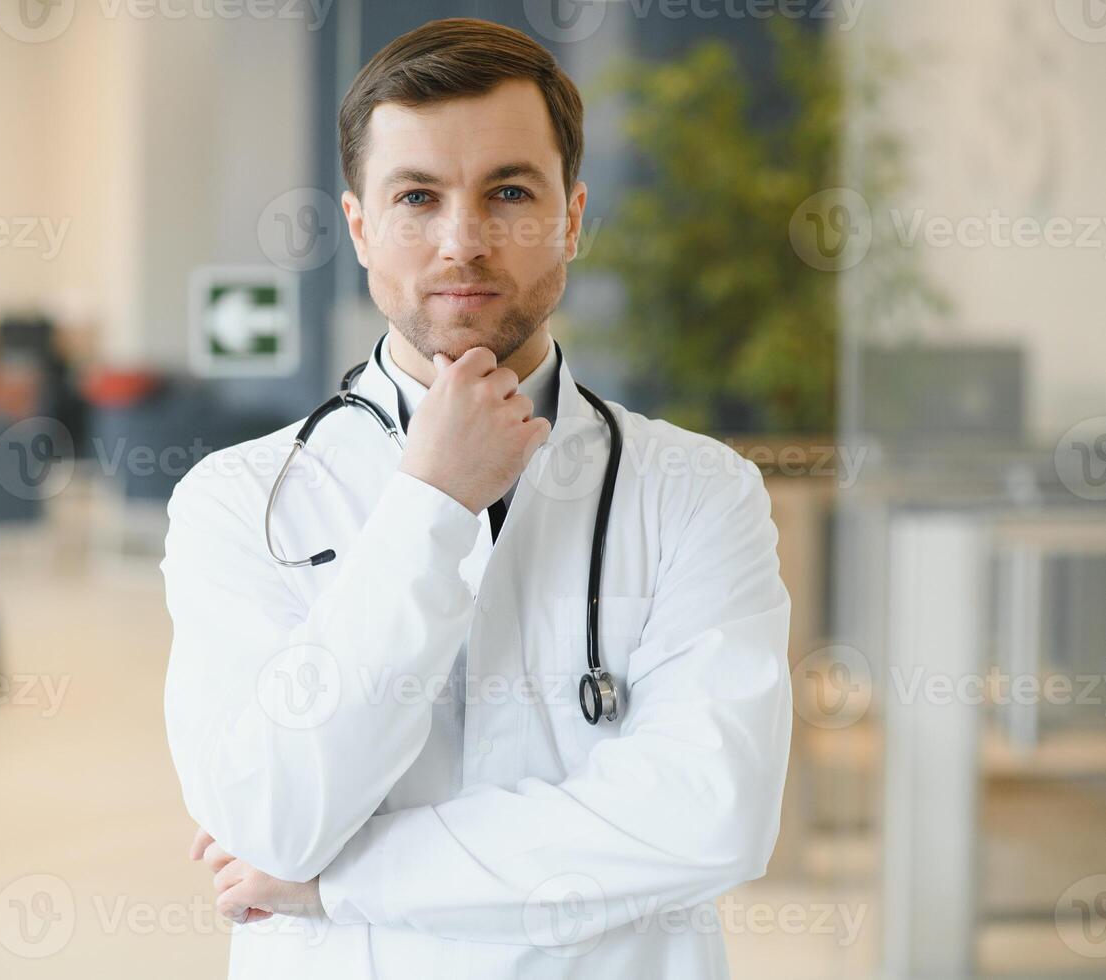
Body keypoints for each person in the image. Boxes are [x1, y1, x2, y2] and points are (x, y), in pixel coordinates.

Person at [162, 18, 792, 978]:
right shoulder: (238, 501)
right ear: (360, 226)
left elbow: (712, 817)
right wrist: (430, 502)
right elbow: (271, 819)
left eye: (508, 192)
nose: (463, 241)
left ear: (572, 218)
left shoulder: (699, 493)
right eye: (417, 196)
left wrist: (337, 885)